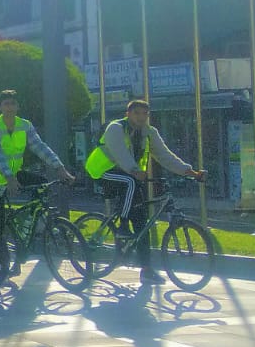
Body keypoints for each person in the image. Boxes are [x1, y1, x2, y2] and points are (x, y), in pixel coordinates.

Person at [83, 99, 205, 285]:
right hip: (104, 172)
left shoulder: (149, 132)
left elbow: (165, 155)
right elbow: (119, 153)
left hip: (130, 176)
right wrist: (134, 170)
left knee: (142, 225)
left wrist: (190, 171)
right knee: (130, 182)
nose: (141, 117)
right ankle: (123, 225)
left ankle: (146, 271)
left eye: (145, 114)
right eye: (137, 113)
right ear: (128, 114)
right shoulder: (115, 129)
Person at [0, 90, 73, 277]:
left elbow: (40, 147)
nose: (9, 107)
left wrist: (60, 168)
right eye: (5, 103)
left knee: (43, 184)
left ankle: (27, 226)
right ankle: (1, 265)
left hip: (13, 174)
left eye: (13, 103)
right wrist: (9, 178)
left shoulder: (24, 125)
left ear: (18, 106)